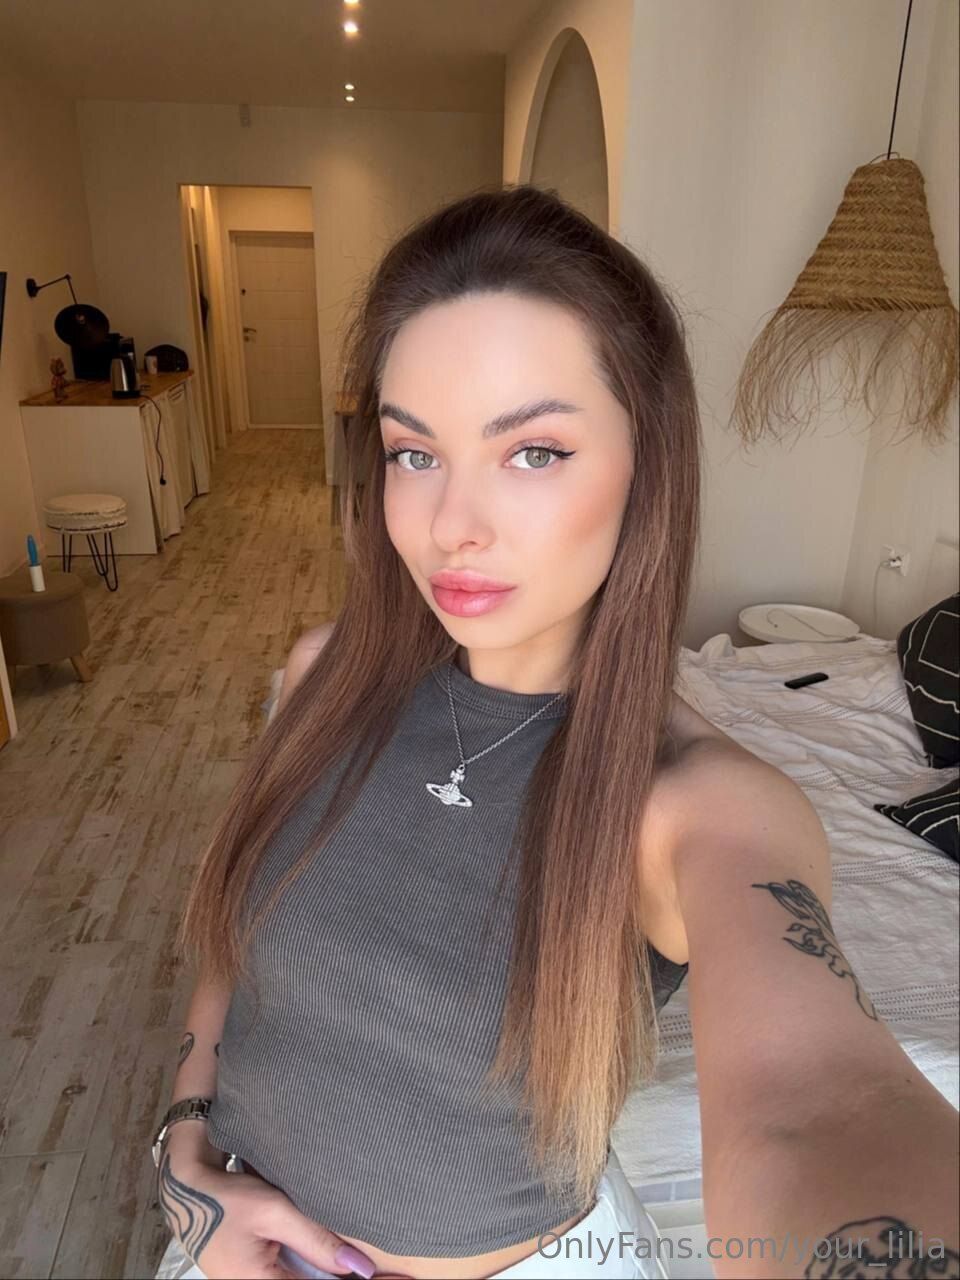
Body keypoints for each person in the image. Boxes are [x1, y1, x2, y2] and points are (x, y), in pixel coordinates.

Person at [152, 185, 960, 1280]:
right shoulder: (322, 678)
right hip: (219, 1234)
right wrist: (184, 1148)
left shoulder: (695, 803)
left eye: (533, 451)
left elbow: (816, 1107)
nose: (453, 526)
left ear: (644, 469)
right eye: (414, 453)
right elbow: (238, 952)